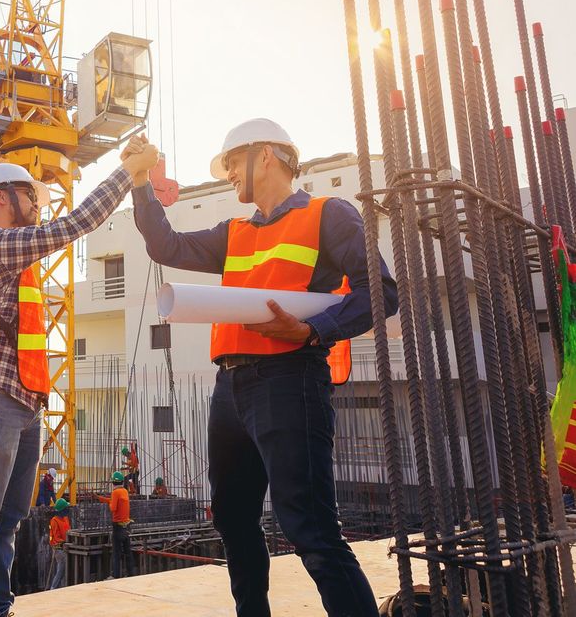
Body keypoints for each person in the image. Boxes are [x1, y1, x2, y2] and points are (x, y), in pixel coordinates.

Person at [129, 119, 398, 617]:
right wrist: (141, 184)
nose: (229, 174)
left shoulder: (328, 214)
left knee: (310, 529)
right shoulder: (235, 232)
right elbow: (166, 247)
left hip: (290, 379)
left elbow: (381, 292)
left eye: (232, 162)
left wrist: (313, 331)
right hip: (229, 387)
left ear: (267, 156)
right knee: (232, 519)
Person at [0, 148, 159, 617]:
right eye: (29, 196)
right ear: (0, 197)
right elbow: (75, 225)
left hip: (24, 402)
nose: (38, 206)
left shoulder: (19, 257)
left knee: (8, 520)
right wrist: (126, 174)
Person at [97, 471, 135, 579]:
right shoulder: (124, 491)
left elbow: (113, 508)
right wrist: (104, 499)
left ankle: (115, 576)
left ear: (113, 482)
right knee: (127, 552)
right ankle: (130, 574)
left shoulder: (115, 493)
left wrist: (108, 502)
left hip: (118, 527)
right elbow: (116, 502)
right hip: (126, 526)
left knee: (116, 553)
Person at [47, 497, 71, 590]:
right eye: (66, 508)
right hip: (59, 548)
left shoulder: (65, 518)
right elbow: (56, 537)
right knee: (61, 569)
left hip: (66, 546)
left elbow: (68, 531)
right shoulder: (54, 520)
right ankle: (53, 588)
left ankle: (61, 587)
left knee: (64, 568)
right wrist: (66, 542)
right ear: (62, 510)